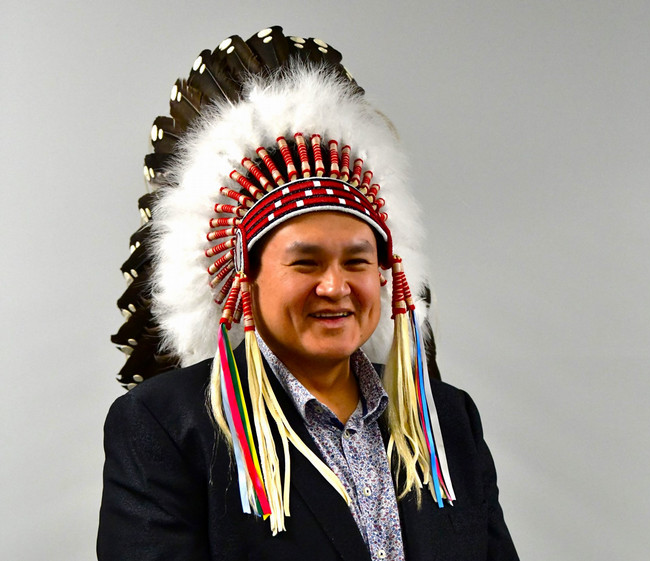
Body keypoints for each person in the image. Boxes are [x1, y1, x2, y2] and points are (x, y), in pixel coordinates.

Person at [98, 25, 520, 561]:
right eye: (306, 262)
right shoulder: (168, 426)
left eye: (358, 261)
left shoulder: (448, 422)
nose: (336, 286)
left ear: (388, 274)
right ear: (244, 278)